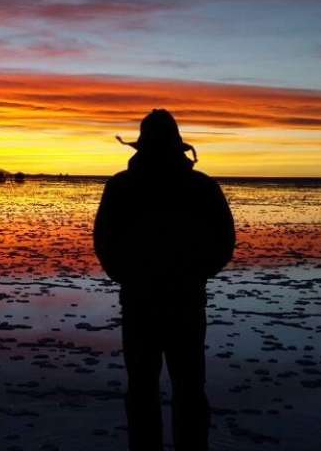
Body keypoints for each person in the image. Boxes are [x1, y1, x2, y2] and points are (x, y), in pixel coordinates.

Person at [93, 109, 235, 451]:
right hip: (178, 300)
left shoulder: (122, 186)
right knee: (184, 389)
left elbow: (104, 243)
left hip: (148, 301)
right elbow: (224, 241)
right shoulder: (200, 186)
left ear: (141, 147)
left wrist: (128, 276)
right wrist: (196, 274)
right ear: (177, 146)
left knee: (147, 390)